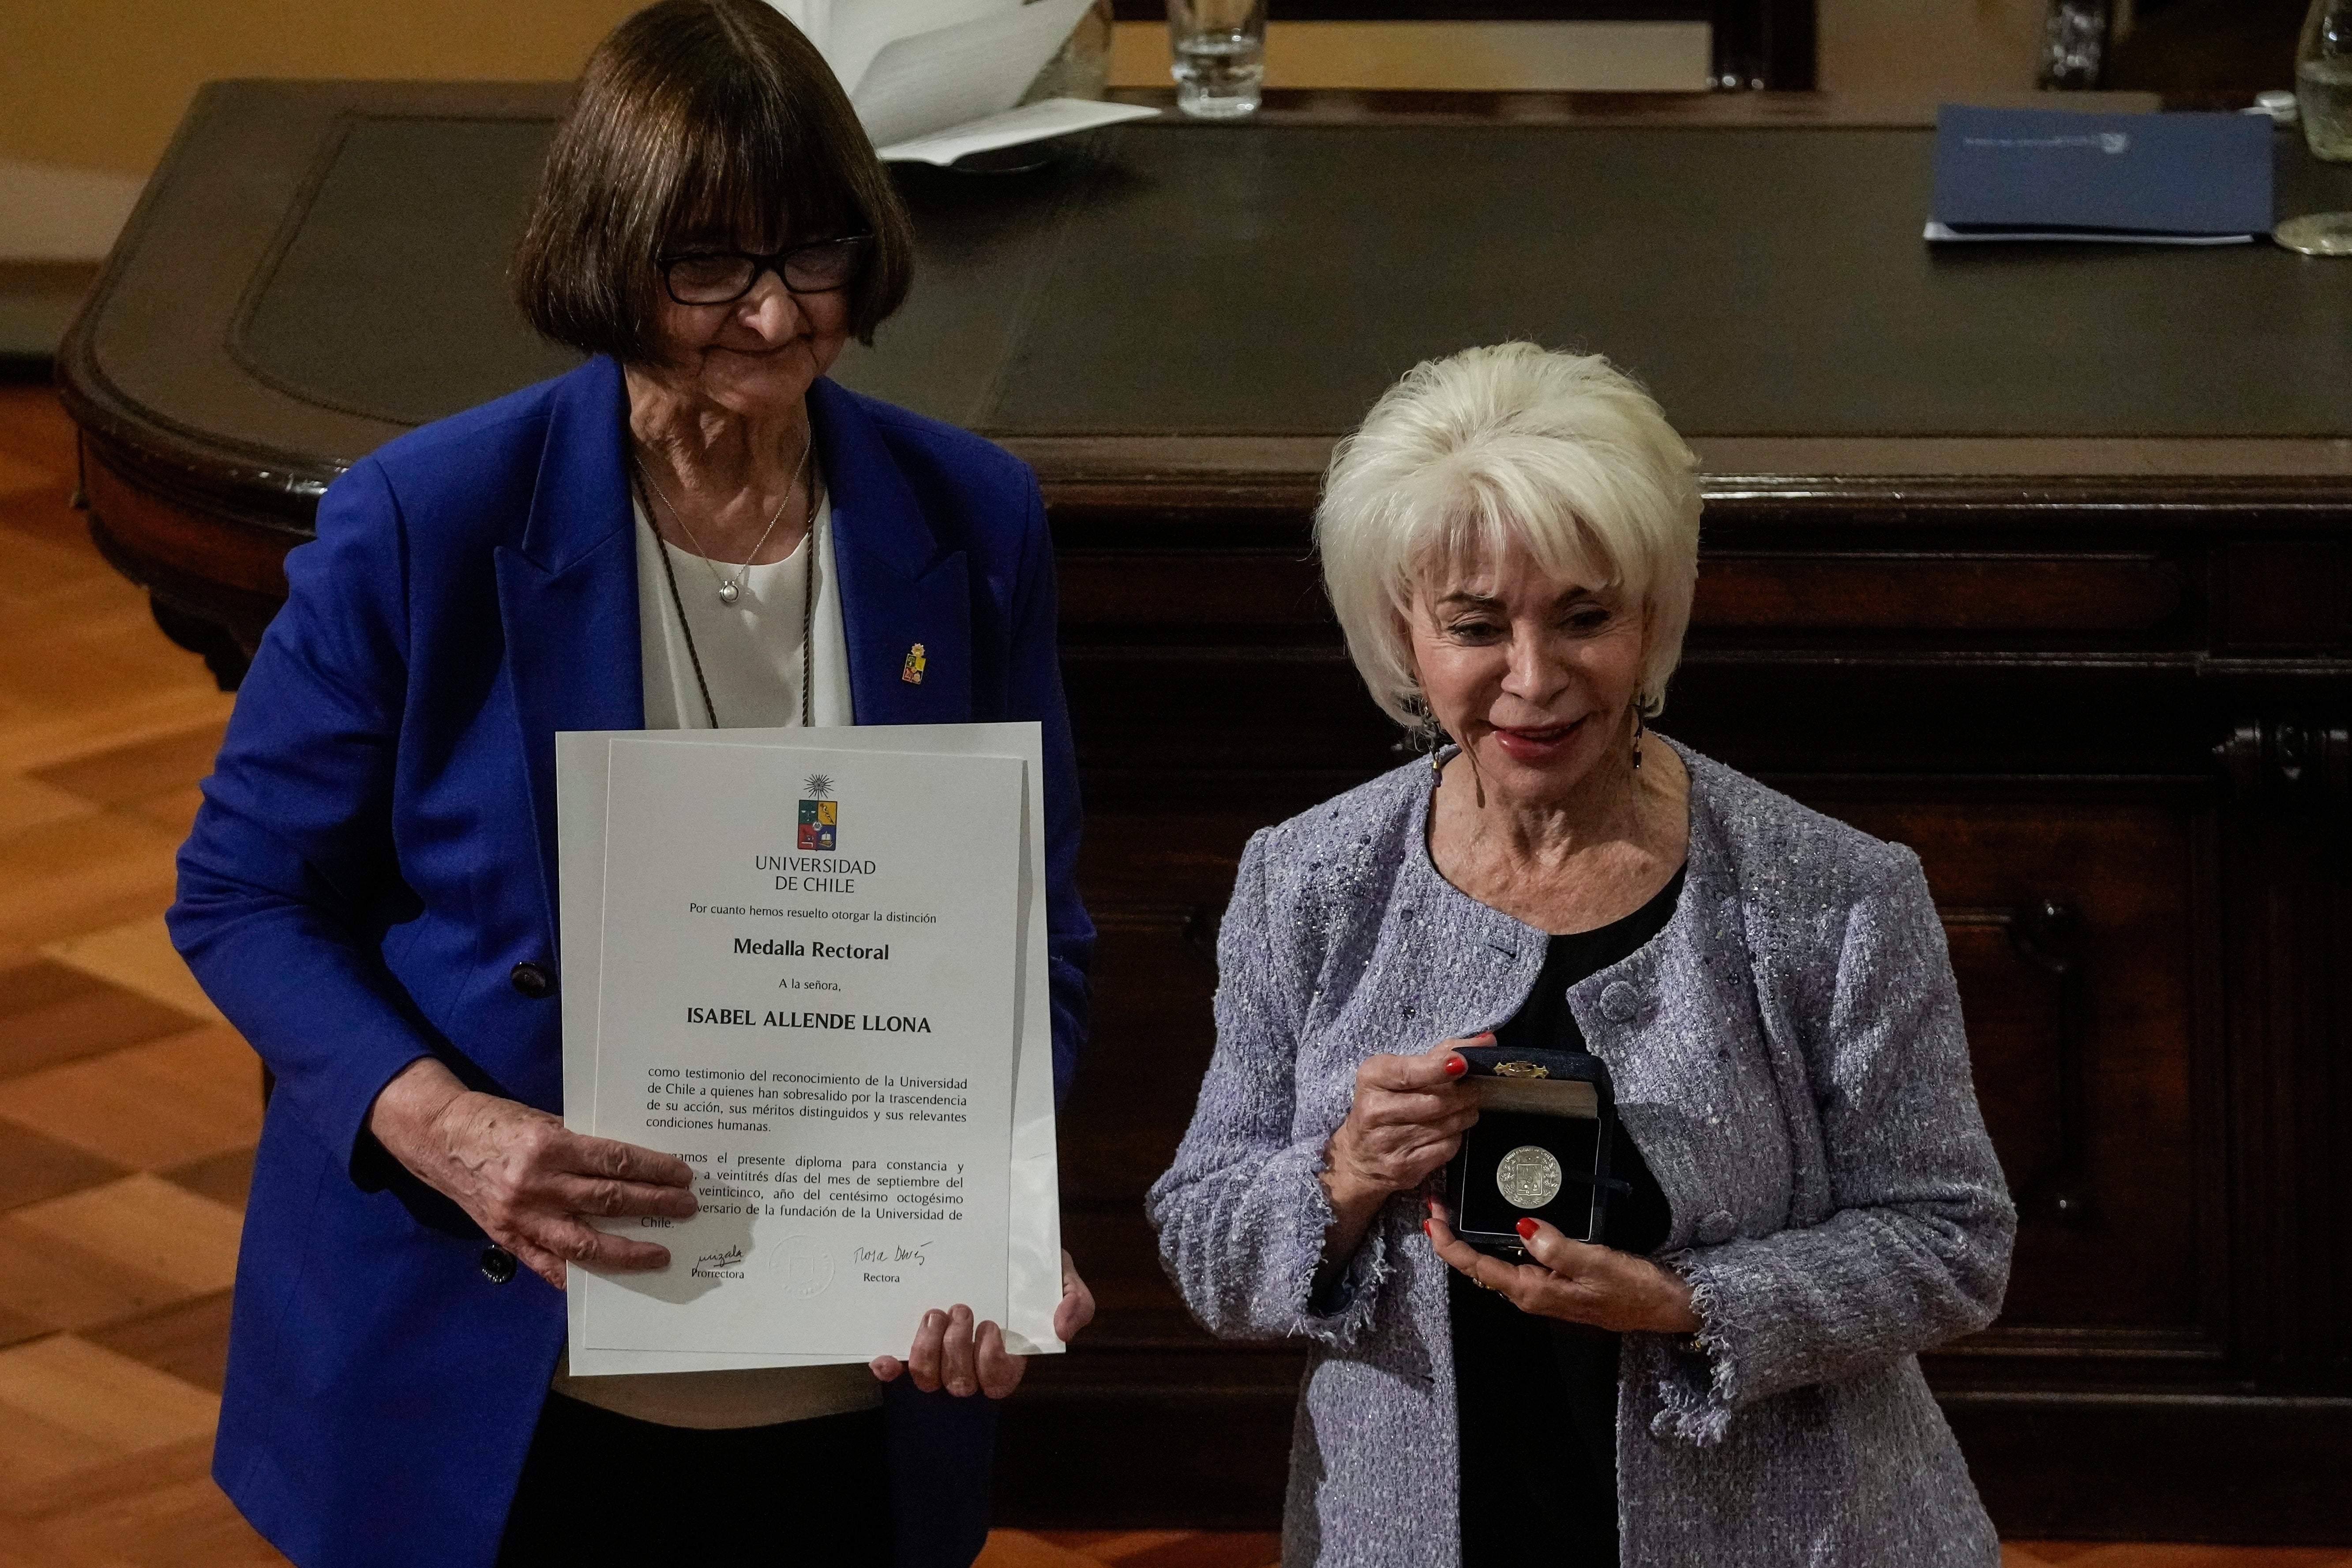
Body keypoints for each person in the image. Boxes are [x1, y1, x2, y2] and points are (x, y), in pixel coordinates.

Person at [168, 4, 1094, 1564]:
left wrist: (993, 1207)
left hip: (855, 1369)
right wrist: (444, 1123)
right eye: (708, 267)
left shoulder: (970, 517)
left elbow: (1033, 933)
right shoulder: (426, 521)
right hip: (496, 1364)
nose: (774, 316)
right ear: (606, 260)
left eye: (815, 255)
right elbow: (243, 894)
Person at [1146, 342, 2014, 1566]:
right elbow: (1206, 1240)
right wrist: (1342, 1171)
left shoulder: (1835, 892)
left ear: (1653, 611)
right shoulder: (1308, 880)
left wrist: (1686, 1306)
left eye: (1583, 616)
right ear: (1404, 630)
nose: (1533, 680)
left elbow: (1950, 1243)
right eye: (1474, 625)